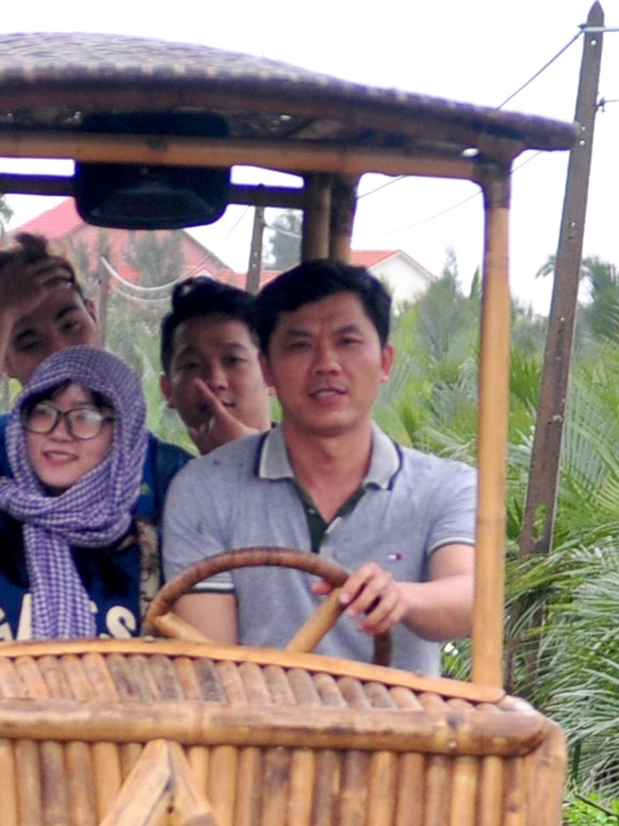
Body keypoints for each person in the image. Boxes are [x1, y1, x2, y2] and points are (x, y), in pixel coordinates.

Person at [161, 260, 477, 679]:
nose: (327, 363)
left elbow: (470, 599)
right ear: (268, 369)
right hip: (253, 735)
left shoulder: (447, 487)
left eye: (347, 341)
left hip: (404, 738)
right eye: (300, 345)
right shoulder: (203, 490)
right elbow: (213, 666)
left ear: (385, 362)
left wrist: (400, 597)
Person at [0, 234, 187, 517]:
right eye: (29, 341)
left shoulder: (165, 470)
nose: (59, 348)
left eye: (70, 324)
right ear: (4, 363)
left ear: (93, 317)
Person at [0, 347, 161, 643]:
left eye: (85, 415)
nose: (59, 432)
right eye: (43, 411)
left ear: (124, 435)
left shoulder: (150, 551)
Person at [158, 276, 272, 454]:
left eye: (233, 360)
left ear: (271, 374)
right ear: (167, 389)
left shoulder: (317, 462)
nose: (215, 380)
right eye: (191, 365)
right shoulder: (166, 477)